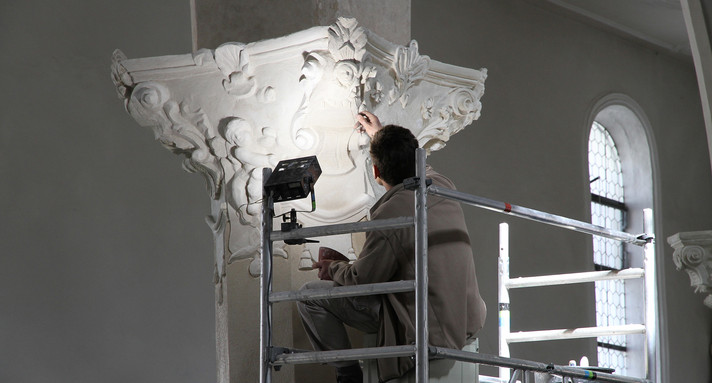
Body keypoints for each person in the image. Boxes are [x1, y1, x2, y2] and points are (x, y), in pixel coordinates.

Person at [297, 111, 487, 383]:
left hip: (422, 322)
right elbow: (415, 162)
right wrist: (381, 136)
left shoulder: (391, 212)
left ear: (376, 172)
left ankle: (348, 374)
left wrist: (334, 268)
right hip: (464, 315)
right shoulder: (443, 185)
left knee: (308, 295)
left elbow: (363, 279)